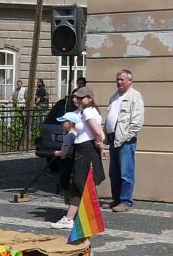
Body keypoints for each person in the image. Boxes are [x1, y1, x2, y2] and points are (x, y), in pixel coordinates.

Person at [52, 86, 106, 229]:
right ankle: (70, 219)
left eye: (82, 97)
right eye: (77, 97)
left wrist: (101, 145)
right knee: (78, 185)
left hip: (86, 152)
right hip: (84, 150)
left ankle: (92, 218)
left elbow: (98, 132)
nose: (78, 100)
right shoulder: (87, 111)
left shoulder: (88, 111)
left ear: (90, 98)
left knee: (82, 185)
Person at [105, 69, 145, 212]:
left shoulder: (135, 96)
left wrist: (126, 137)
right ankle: (116, 199)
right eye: (117, 79)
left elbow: (137, 121)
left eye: (122, 79)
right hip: (112, 138)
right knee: (114, 172)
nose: (119, 82)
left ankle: (126, 201)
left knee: (125, 173)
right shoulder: (115, 96)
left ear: (130, 81)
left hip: (125, 140)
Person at [52, 110, 80, 203]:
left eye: (63, 122)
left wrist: (57, 153)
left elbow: (64, 152)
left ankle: (69, 204)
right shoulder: (77, 134)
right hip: (73, 162)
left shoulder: (69, 136)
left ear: (70, 123)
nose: (61, 124)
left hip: (66, 162)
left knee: (65, 183)